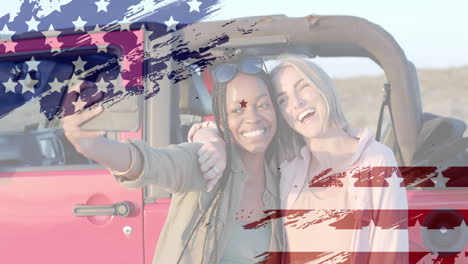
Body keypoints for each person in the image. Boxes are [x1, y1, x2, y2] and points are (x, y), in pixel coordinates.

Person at [189, 55, 409, 264]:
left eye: (303, 87)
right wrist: (210, 138)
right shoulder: (287, 165)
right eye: (283, 100)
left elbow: (390, 254)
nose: (297, 103)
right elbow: (238, 133)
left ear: (323, 86)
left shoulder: (375, 160)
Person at [62, 57, 283, 264]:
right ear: (222, 120)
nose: (253, 118)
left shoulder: (285, 171)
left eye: (263, 105)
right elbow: (151, 162)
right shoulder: (205, 163)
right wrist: (93, 146)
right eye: (237, 109)